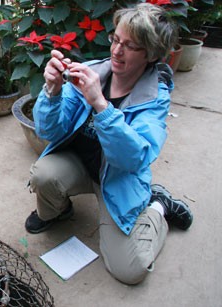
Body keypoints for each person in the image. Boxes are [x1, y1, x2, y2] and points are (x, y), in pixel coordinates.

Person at [24, 3, 193, 285]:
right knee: (43, 174)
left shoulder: (154, 98)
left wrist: (101, 105)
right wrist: (52, 92)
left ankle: (159, 206)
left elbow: (134, 158)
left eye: (130, 45)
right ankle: (60, 211)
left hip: (117, 178)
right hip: (80, 164)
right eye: (115, 39)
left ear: (150, 53)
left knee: (130, 270)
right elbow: (49, 132)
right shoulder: (93, 71)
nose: (116, 50)